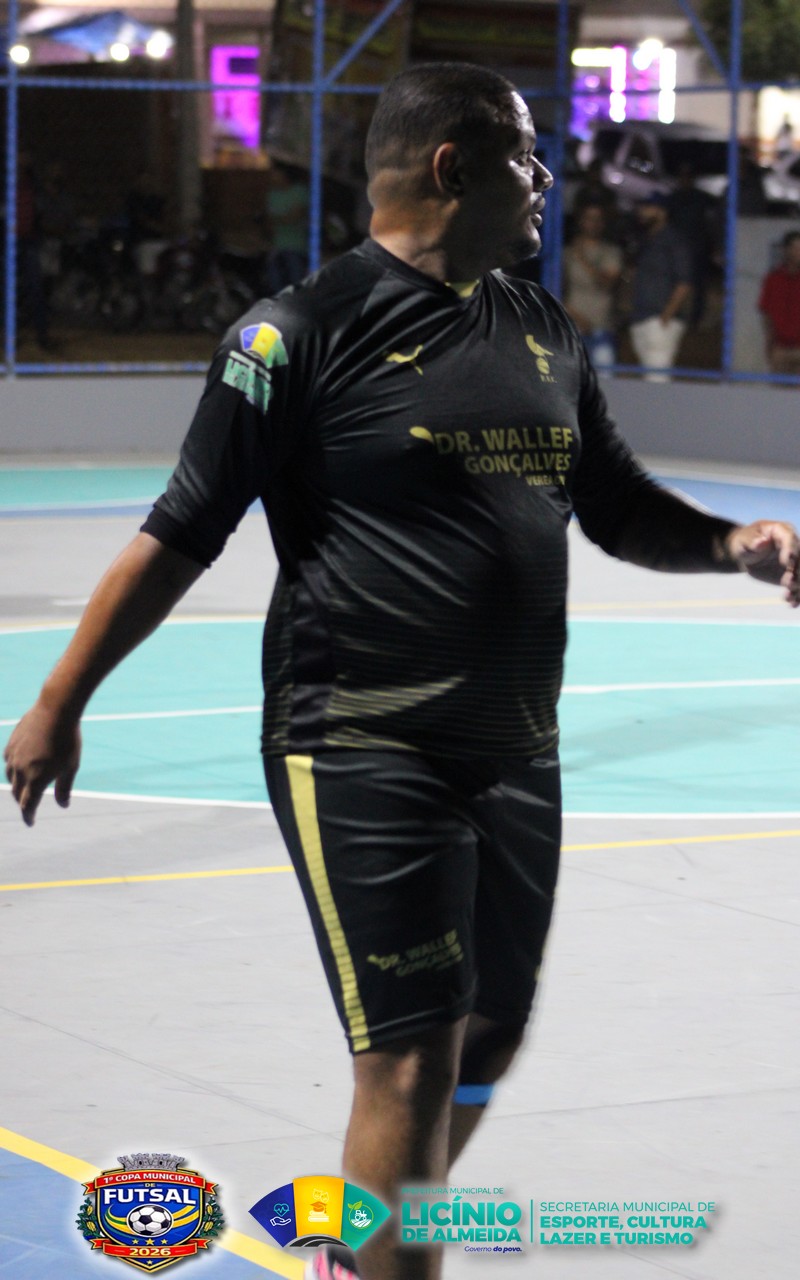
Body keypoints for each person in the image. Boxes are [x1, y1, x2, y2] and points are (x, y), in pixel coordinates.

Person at [5, 62, 800, 1280]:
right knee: (410, 1052)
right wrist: (60, 701)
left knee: (490, 1032)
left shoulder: (538, 327)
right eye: (526, 156)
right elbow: (179, 530)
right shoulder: (294, 334)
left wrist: (730, 544)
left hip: (514, 746)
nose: (546, 179)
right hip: (361, 738)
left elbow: (614, 504)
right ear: (452, 167)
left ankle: (361, 1240)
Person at [628, 189, 693, 381]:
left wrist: (665, 317)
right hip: (641, 317)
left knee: (657, 381)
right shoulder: (645, 239)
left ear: (662, 212)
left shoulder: (674, 240)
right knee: (649, 380)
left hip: (659, 320)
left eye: (648, 207)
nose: (642, 211)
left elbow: (684, 282)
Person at [562, 201, 622, 370]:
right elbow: (555, 288)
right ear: (581, 221)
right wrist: (575, 316)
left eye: (598, 219)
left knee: (604, 379)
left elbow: (607, 284)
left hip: (602, 327)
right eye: (589, 218)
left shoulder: (611, 252)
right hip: (573, 327)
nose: (593, 223)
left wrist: (582, 259)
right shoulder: (566, 253)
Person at [759, 229, 800, 375]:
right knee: (778, 387)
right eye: (795, 248)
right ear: (786, 250)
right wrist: (769, 343)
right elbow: (766, 315)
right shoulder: (773, 279)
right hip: (780, 348)